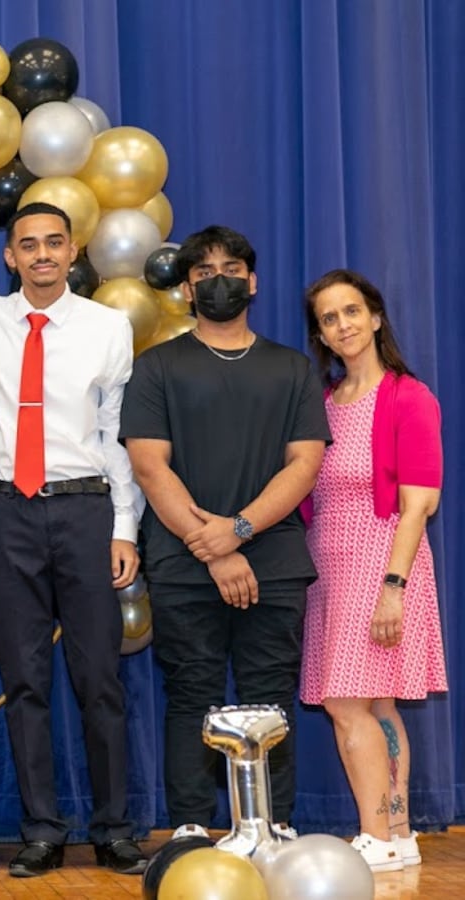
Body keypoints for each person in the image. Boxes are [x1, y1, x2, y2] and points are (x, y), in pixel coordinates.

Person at [0, 203, 146, 878]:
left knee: (99, 679)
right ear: (10, 256)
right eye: (27, 245)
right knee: (24, 680)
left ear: (72, 252)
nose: (41, 255)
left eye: (53, 243)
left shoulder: (106, 328)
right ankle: (41, 830)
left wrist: (125, 528)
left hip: (84, 509)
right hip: (10, 513)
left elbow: (117, 435)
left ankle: (114, 828)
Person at [121, 225, 329, 844]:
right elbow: (149, 465)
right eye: (205, 271)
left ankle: (275, 827)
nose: (219, 279)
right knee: (193, 692)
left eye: (231, 268)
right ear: (187, 289)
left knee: (270, 698)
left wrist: (236, 532)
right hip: (185, 562)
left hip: (275, 559)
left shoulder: (292, 369)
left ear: (253, 281)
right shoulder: (156, 368)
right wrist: (212, 548)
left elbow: (305, 463)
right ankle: (189, 826)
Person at [299, 269, 445, 870]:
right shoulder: (324, 403)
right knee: (370, 706)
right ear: (323, 335)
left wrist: (394, 588)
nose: (343, 325)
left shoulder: (409, 397)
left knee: (351, 705)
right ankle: (396, 833)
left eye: (352, 311)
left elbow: (420, 503)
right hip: (328, 568)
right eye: (329, 319)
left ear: (376, 317)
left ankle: (379, 833)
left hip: (382, 561)